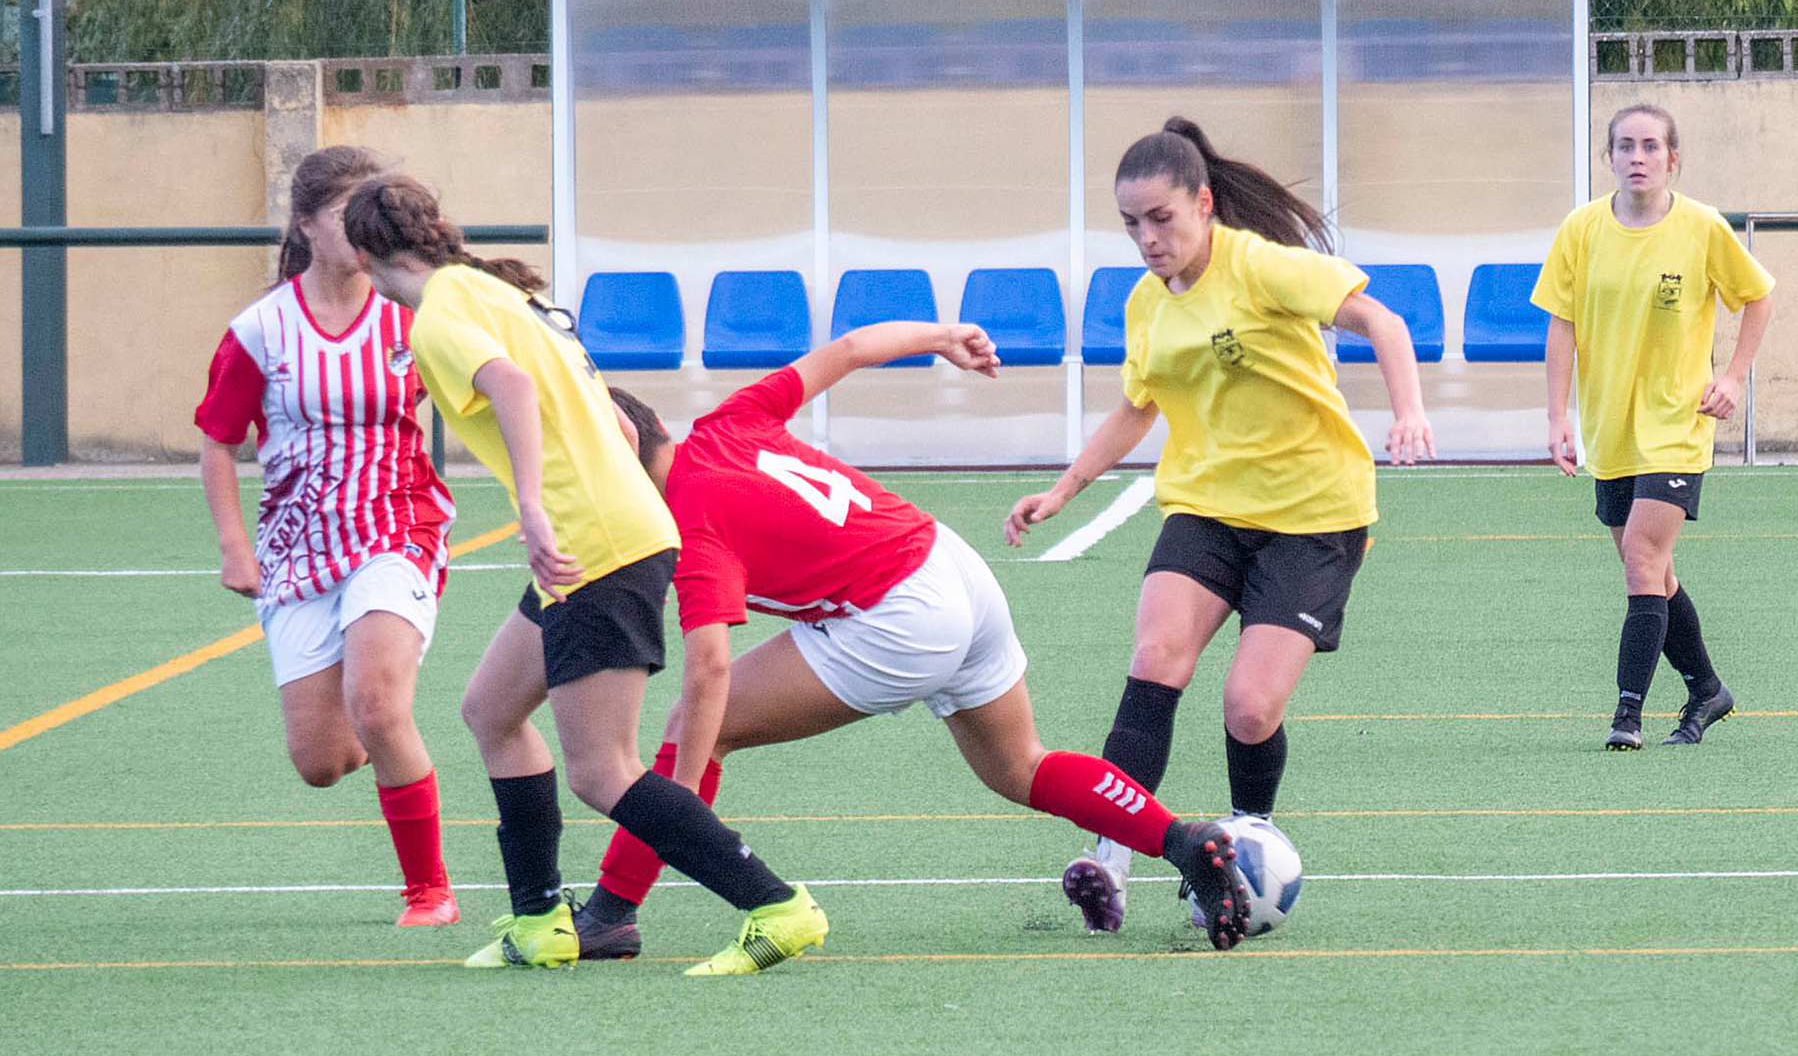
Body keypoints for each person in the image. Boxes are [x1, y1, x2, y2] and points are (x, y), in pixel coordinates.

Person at [573, 320, 1255, 957]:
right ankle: (1185, 841)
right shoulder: (726, 422)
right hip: (949, 564)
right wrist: (943, 336)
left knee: (697, 725)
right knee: (1021, 766)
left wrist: (677, 807)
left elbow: (709, 671)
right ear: (660, 424)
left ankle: (610, 911)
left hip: (900, 618)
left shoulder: (688, 523)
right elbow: (846, 351)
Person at [342, 173, 826, 975]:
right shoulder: (498, 294)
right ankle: (539, 922)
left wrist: (535, 507)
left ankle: (777, 906)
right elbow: (602, 413)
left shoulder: (442, 317)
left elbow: (511, 385)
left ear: (363, 254)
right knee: (491, 710)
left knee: (604, 771)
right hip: (606, 530)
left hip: (591, 543)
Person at [1003, 117, 1434, 934]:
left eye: (1161, 218)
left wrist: (1408, 413)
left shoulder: (1262, 267)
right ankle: (1113, 859)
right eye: (1131, 224)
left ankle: (1244, 849)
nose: (1146, 239)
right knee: (1155, 659)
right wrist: (1064, 489)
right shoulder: (1143, 302)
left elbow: (1385, 323)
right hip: (1204, 507)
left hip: (1314, 516)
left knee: (1247, 708)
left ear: (1204, 205)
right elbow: (1139, 407)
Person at [195, 146, 459, 928]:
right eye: (346, 215)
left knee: (378, 706)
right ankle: (376, 718)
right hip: (297, 550)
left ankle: (430, 893)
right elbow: (218, 439)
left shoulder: (413, 313)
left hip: (397, 527)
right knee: (323, 763)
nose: (361, 231)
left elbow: (497, 386)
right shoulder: (260, 330)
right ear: (307, 226)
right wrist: (234, 547)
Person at [1535, 103, 1774, 751]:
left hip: (1678, 424)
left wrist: (1732, 378)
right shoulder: (1581, 230)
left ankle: (1627, 716)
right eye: (1625, 146)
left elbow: (1757, 296)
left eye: (1650, 146)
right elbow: (1562, 324)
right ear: (1609, 157)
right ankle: (1706, 688)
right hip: (1611, 427)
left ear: (1673, 159)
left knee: (1642, 560)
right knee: (1656, 573)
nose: (1636, 157)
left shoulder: (1700, 229)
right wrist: (1558, 416)